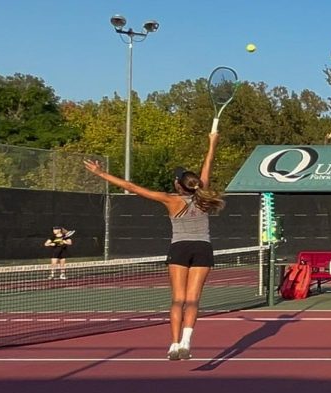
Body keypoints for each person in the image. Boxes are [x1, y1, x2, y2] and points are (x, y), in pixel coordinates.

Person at [84, 132, 225, 360]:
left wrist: (101, 174)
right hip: (202, 248)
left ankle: (174, 344)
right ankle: (187, 340)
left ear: (178, 185)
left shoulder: (170, 199)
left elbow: (133, 186)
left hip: (180, 248)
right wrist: (212, 142)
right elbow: (208, 163)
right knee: (193, 299)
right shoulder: (203, 195)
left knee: (178, 299)